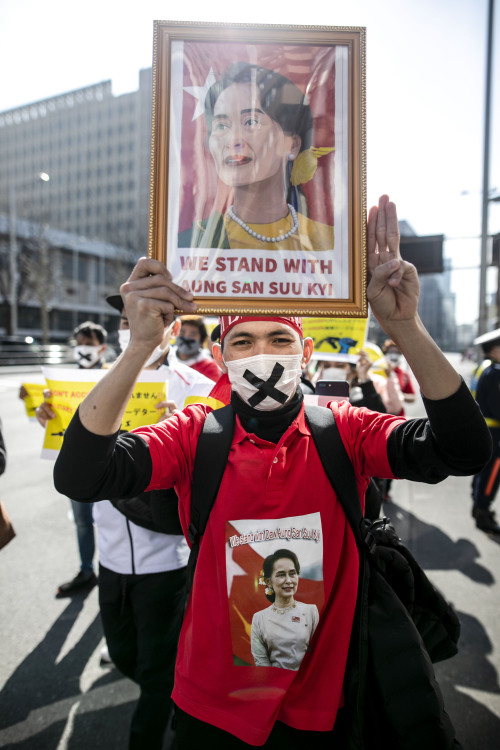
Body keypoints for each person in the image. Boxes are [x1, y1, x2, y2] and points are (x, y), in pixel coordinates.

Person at [53, 196, 491, 748]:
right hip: (213, 704)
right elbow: (81, 476)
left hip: (330, 700)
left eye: (279, 339)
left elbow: (462, 451)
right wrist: (141, 346)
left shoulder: (344, 429)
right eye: (244, 341)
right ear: (222, 351)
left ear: (304, 351)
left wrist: (405, 327)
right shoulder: (194, 433)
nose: (263, 354)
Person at [38, 294, 216, 749]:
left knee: (157, 673)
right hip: (112, 559)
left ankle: (156, 728)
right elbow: (75, 470)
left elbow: (213, 476)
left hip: (166, 562)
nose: (131, 326)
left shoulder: (197, 389)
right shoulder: (99, 385)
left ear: (173, 330)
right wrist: (53, 422)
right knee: (123, 653)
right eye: (124, 320)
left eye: (150, 318)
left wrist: (181, 436)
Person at [179, 62, 334, 251]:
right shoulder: (187, 245)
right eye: (221, 126)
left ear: (292, 145)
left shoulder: (331, 247)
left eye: (251, 121)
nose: (233, 140)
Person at [55, 320, 108, 596]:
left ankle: (111, 571)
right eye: (79, 344)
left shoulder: (114, 377)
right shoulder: (63, 382)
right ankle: (87, 571)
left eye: (89, 345)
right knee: (83, 521)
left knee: (112, 521)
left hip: (111, 464)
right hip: (77, 464)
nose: (83, 350)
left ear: (102, 348)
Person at [251, 549, 319, 671]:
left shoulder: (311, 612)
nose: (289, 580)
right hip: (274, 685)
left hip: (305, 685)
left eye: (292, 573)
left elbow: (318, 656)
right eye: (281, 575)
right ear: (268, 582)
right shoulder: (259, 618)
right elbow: (261, 661)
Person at [470, 328, 500, 534]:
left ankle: (478, 503)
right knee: (492, 473)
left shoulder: (482, 367)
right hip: (494, 430)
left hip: (482, 427)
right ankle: (483, 513)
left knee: (483, 470)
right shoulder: (495, 371)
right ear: (496, 349)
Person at [171, 315, 222, 382]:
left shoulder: (209, 367)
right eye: (182, 332)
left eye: (193, 334)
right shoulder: (165, 360)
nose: (187, 337)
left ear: (201, 341)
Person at [382, 338, 416, 414]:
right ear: (385, 353)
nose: (393, 355)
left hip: (397, 416)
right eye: (391, 352)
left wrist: (398, 395)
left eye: (396, 352)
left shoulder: (404, 374)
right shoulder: (378, 371)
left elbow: (413, 397)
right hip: (379, 414)